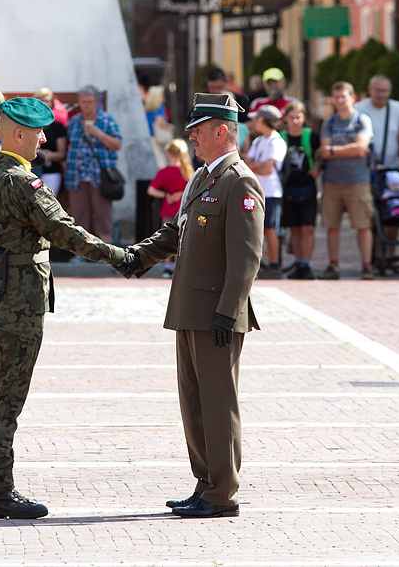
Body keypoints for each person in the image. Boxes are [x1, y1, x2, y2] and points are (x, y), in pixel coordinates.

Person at [0, 97, 127, 519]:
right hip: (20, 303)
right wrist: (120, 257)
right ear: (17, 133)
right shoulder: (23, 182)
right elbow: (65, 232)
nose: (43, 138)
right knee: (7, 397)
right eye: (38, 132)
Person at [120, 92, 264, 519]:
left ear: (222, 131)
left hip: (217, 313)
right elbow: (177, 231)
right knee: (194, 402)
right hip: (188, 308)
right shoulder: (203, 178)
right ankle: (205, 484)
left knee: (218, 404)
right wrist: (135, 257)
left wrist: (228, 309)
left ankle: (223, 493)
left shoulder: (240, 182)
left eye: (198, 132)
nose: (193, 139)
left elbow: (247, 257)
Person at [355, 74, 399, 272]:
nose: (381, 95)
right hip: (368, 169)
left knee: (393, 210)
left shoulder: (397, 108)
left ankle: (391, 254)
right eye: (377, 91)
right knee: (371, 213)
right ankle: (375, 255)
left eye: (385, 91)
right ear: (370, 90)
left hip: (393, 169)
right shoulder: (360, 109)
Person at [319, 81, 375, 280]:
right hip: (332, 182)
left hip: (358, 181)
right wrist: (349, 150)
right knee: (332, 226)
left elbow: (361, 148)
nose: (340, 100)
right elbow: (324, 152)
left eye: (343, 96)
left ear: (353, 97)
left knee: (363, 225)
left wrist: (334, 150)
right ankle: (333, 265)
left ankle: (367, 266)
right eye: (336, 97)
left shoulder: (361, 120)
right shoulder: (329, 123)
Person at [64, 85, 122, 242]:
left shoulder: (106, 120)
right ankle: (80, 255)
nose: (86, 105)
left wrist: (98, 133)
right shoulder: (74, 122)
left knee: (103, 217)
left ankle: (107, 253)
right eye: (83, 102)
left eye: (89, 101)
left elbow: (117, 144)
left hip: (99, 177)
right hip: (76, 176)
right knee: (78, 218)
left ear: (96, 102)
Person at [279, 100, 320, 280]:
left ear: (304, 118)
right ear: (286, 118)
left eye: (298, 117)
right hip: (288, 187)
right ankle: (298, 262)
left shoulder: (311, 136)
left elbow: (322, 155)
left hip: (308, 186)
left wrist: (318, 168)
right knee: (294, 228)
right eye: (291, 117)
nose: (295, 121)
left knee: (308, 227)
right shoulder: (280, 137)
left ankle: (306, 263)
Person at [244, 105, 287, 279]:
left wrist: (254, 164)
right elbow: (248, 162)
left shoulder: (276, 141)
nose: (254, 122)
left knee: (270, 228)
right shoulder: (259, 140)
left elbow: (266, 167)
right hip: (256, 191)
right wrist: (256, 165)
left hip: (271, 192)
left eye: (256, 118)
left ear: (263, 120)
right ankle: (258, 263)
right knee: (256, 228)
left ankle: (275, 264)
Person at [147, 139, 194, 277]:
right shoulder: (188, 171)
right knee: (182, 238)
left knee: (167, 237)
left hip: (168, 208)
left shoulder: (164, 172)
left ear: (169, 154)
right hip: (183, 209)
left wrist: (166, 194)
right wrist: (180, 194)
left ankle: (167, 265)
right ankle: (179, 265)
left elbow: (151, 190)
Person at [31, 88, 68, 194]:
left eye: (47, 100)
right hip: (31, 171)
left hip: (51, 171)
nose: (44, 103)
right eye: (41, 100)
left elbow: (62, 154)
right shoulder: (28, 126)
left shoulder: (58, 127)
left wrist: (49, 155)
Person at [145, 85, 175, 165]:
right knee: (163, 161)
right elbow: (159, 120)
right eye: (162, 95)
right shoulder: (160, 108)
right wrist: (169, 126)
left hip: (151, 137)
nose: (163, 97)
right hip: (159, 137)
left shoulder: (147, 109)